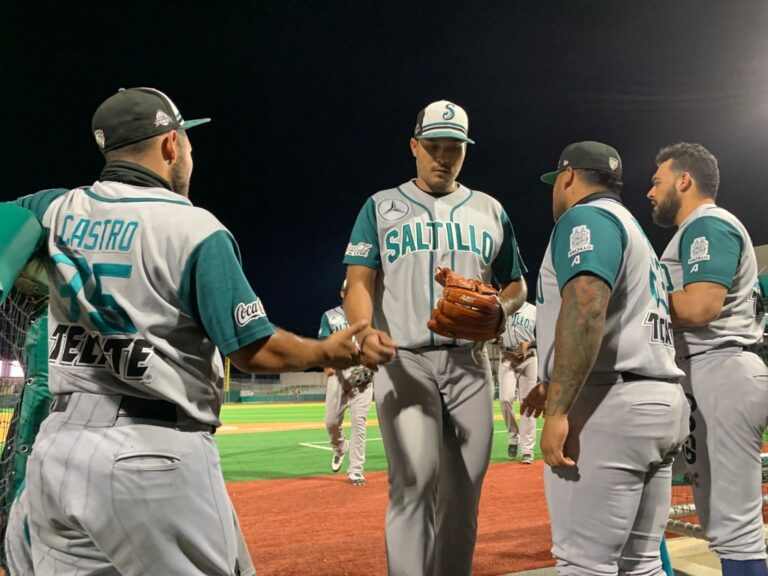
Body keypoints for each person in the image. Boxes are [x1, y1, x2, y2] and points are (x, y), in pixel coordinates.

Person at [5, 87, 378, 576]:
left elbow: (9, 217)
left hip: (56, 453)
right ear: (169, 146)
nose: (189, 151)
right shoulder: (195, 228)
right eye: (186, 139)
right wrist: (326, 349)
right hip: (153, 455)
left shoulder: (58, 208)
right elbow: (252, 350)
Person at [343, 100, 528, 576]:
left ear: (465, 152)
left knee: (464, 493)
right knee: (415, 479)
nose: (442, 157)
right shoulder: (381, 206)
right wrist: (363, 333)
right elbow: (359, 281)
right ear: (414, 146)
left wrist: (500, 309)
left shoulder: (490, 209)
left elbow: (516, 284)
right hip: (403, 359)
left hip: (469, 363)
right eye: (433, 147)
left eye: (454, 149)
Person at [523, 141, 689, 575]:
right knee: (642, 564)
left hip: (610, 405)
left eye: (556, 182)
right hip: (658, 398)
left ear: (569, 176)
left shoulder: (586, 217)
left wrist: (558, 409)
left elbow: (587, 307)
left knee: (583, 564)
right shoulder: (630, 227)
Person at [648, 142, 768, 576]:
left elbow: (700, 307)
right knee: (721, 522)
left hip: (722, 369)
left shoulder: (707, 224)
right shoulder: (695, 230)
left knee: (735, 525)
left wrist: (640, 306)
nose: (650, 191)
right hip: (711, 373)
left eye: (657, 181)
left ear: (685, 180)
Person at [318, 279, 374, 486]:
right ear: (342, 294)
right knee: (331, 421)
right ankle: (340, 447)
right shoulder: (330, 316)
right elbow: (325, 343)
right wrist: (327, 364)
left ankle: (356, 469)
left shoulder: (370, 315)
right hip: (339, 373)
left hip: (363, 375)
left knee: (359, 422)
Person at [498, 300, 537, 463]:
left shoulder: (534, 310)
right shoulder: (500, 310)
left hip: (528, 359)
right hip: (507, 359)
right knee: (505, 399)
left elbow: (543, 333)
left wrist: (526, 345)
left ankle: (527, 449)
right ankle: (513, 437)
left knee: (527, 403)